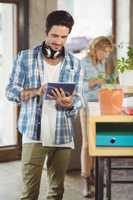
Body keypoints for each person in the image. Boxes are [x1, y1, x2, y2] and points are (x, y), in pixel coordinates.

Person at [6, 10, 83, 200]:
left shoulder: (75, 63)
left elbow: (80, 98)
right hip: (33, 134)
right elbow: (10, 91)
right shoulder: (25, 58)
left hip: (63, 133)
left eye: (63, 37)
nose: (58, 41)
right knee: (29, 193)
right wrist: (35, 92)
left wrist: (69, 102)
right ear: (46, 32)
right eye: (54, 35)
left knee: (57, 191)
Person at [80, 36, 113, 198]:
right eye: (104, 52)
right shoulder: (83, 63)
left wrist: (106, 84)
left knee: (98, 142)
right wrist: (95, 81)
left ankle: (93, 175)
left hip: (100, 106)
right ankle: (86, 180)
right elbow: (77, 87)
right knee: (87, 144)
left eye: (107, 53)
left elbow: (101, 83)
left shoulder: (101, 64)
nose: (105, 56)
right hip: (86, 106)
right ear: (96, 49)